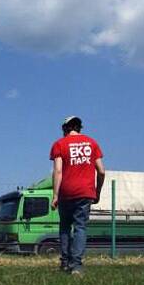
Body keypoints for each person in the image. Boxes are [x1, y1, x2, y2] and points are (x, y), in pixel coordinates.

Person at [50, 116, 105, 275]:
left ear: (65, 129)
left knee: (65, 227)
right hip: (86, 192)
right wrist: (97, 192)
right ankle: (77, 266)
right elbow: (101, 171)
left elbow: (58, 171)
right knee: (80, 227)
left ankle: (65, 263)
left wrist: (55, 195)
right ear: (80, 127)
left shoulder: (59, 144)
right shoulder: (92, 143)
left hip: (66, 192)